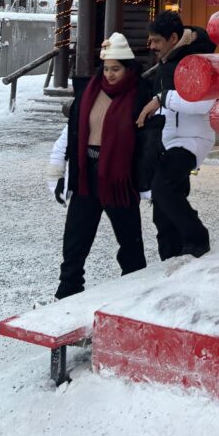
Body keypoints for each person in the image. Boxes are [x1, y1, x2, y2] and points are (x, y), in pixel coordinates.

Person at [48, 33, 154, 298]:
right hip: (87, 173)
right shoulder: (90, 91)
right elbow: (71, 132)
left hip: (119, 179)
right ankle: (67, 291)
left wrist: (149, 182)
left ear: (127, 68)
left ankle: (133, 293)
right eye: (106, 68)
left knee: (130, 242)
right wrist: (56, 172)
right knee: (75, 239)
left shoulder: (140, 94)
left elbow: (148, 143)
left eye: (116, 69)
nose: (109, 74)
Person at [137, 11, 216, 260]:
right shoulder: (167, 62)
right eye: (150, 40)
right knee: (162, 210)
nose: (151, 46)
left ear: (173, 38)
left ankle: (198, 239)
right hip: (169, 140)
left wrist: (162, 99)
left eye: (156, 41)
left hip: (192, 139)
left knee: (163, 188)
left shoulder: (196, 61)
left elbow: (204, 102)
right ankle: (171, 260)